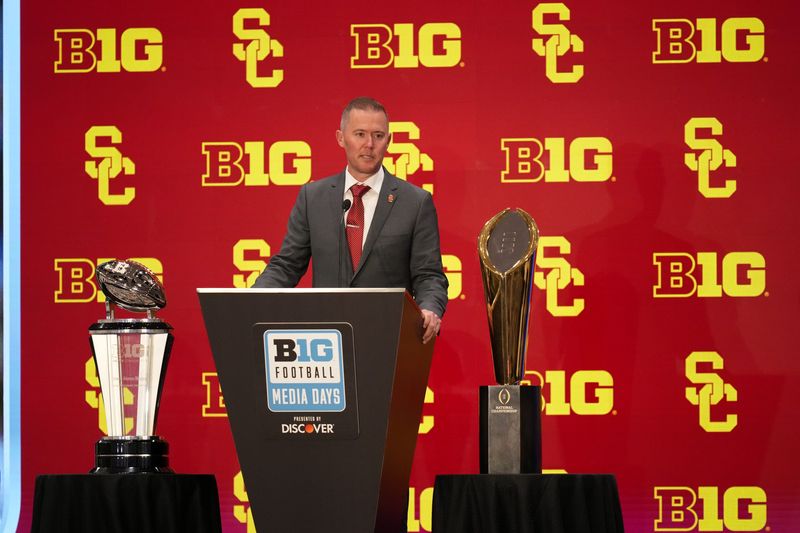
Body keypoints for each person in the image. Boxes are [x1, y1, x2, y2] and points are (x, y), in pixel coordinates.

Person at [252, 97, 448, 342]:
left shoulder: (415, 202)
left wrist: (430, 308)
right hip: (325, 342)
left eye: (378, 135)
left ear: (389, 141)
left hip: (389, 339)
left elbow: (429, 276)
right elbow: (287, 265)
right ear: (341, 138)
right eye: (359, 134)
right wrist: (253, 300)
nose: (369, 144)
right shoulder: (312, 198)